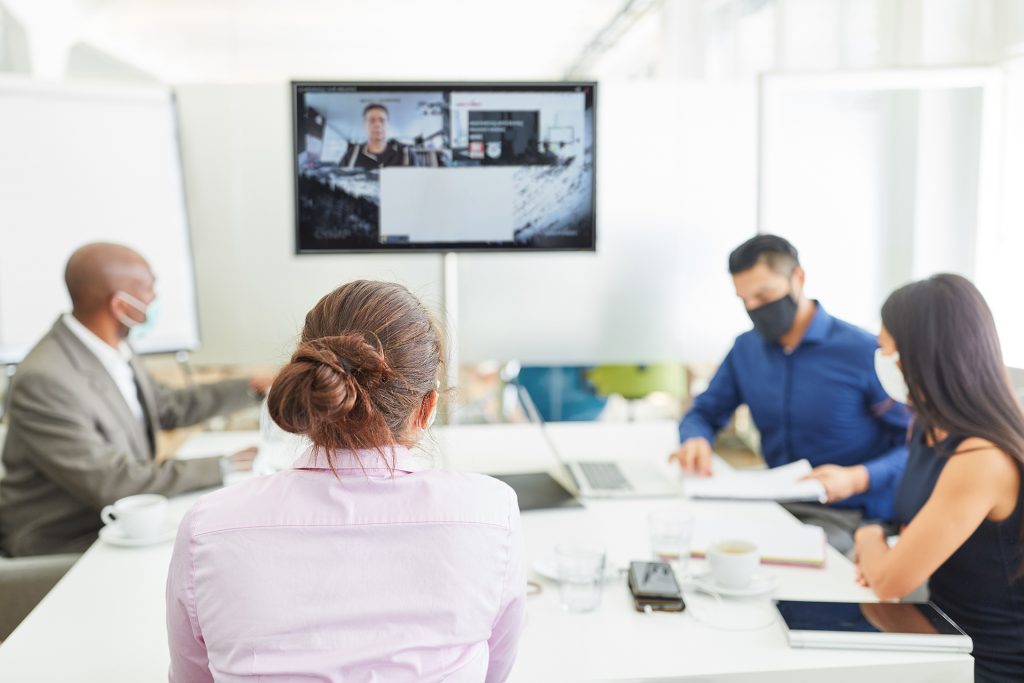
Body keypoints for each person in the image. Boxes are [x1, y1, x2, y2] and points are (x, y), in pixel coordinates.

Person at [166, 280, 525, 682]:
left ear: (311, 388)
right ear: (427, 408)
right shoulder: (491, 514)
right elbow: (494, 673)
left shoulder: (208, 528)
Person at [0, 243, 271, 557]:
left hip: (119, 522)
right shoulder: (45, 380)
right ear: (120, 306)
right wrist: (223, 466)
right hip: (65, 541)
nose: (155, 297)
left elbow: (166, 407)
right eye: (149, 287)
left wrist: (250, 387)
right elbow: (113, 482)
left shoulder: (110, 347)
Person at [670, 235, 910, 553]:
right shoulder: (746, 349)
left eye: (764, 295)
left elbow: (917, 445)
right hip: (776, 503)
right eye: (745, 301)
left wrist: (859, 477)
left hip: (849, 513)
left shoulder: (865, 353)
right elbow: (705, 411)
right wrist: (695, 438)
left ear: (798, 278)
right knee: (691, 541)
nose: (754, 308)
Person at [854, 274, 1024, 682]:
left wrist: (867, 537)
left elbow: (890, 580)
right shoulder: (928, 428)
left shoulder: (981, 458)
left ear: (924, 358)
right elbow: (907, 541)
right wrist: (887, 554)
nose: (884, 364)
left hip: (987, 663)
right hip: (939, 631)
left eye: (888, 353)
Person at [340, 103, 419, 169]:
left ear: (388, 125)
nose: (377, 125)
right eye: (372, 120)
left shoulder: (406, 154)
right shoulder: (351, 155)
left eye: (382, 120)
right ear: (364, 125)